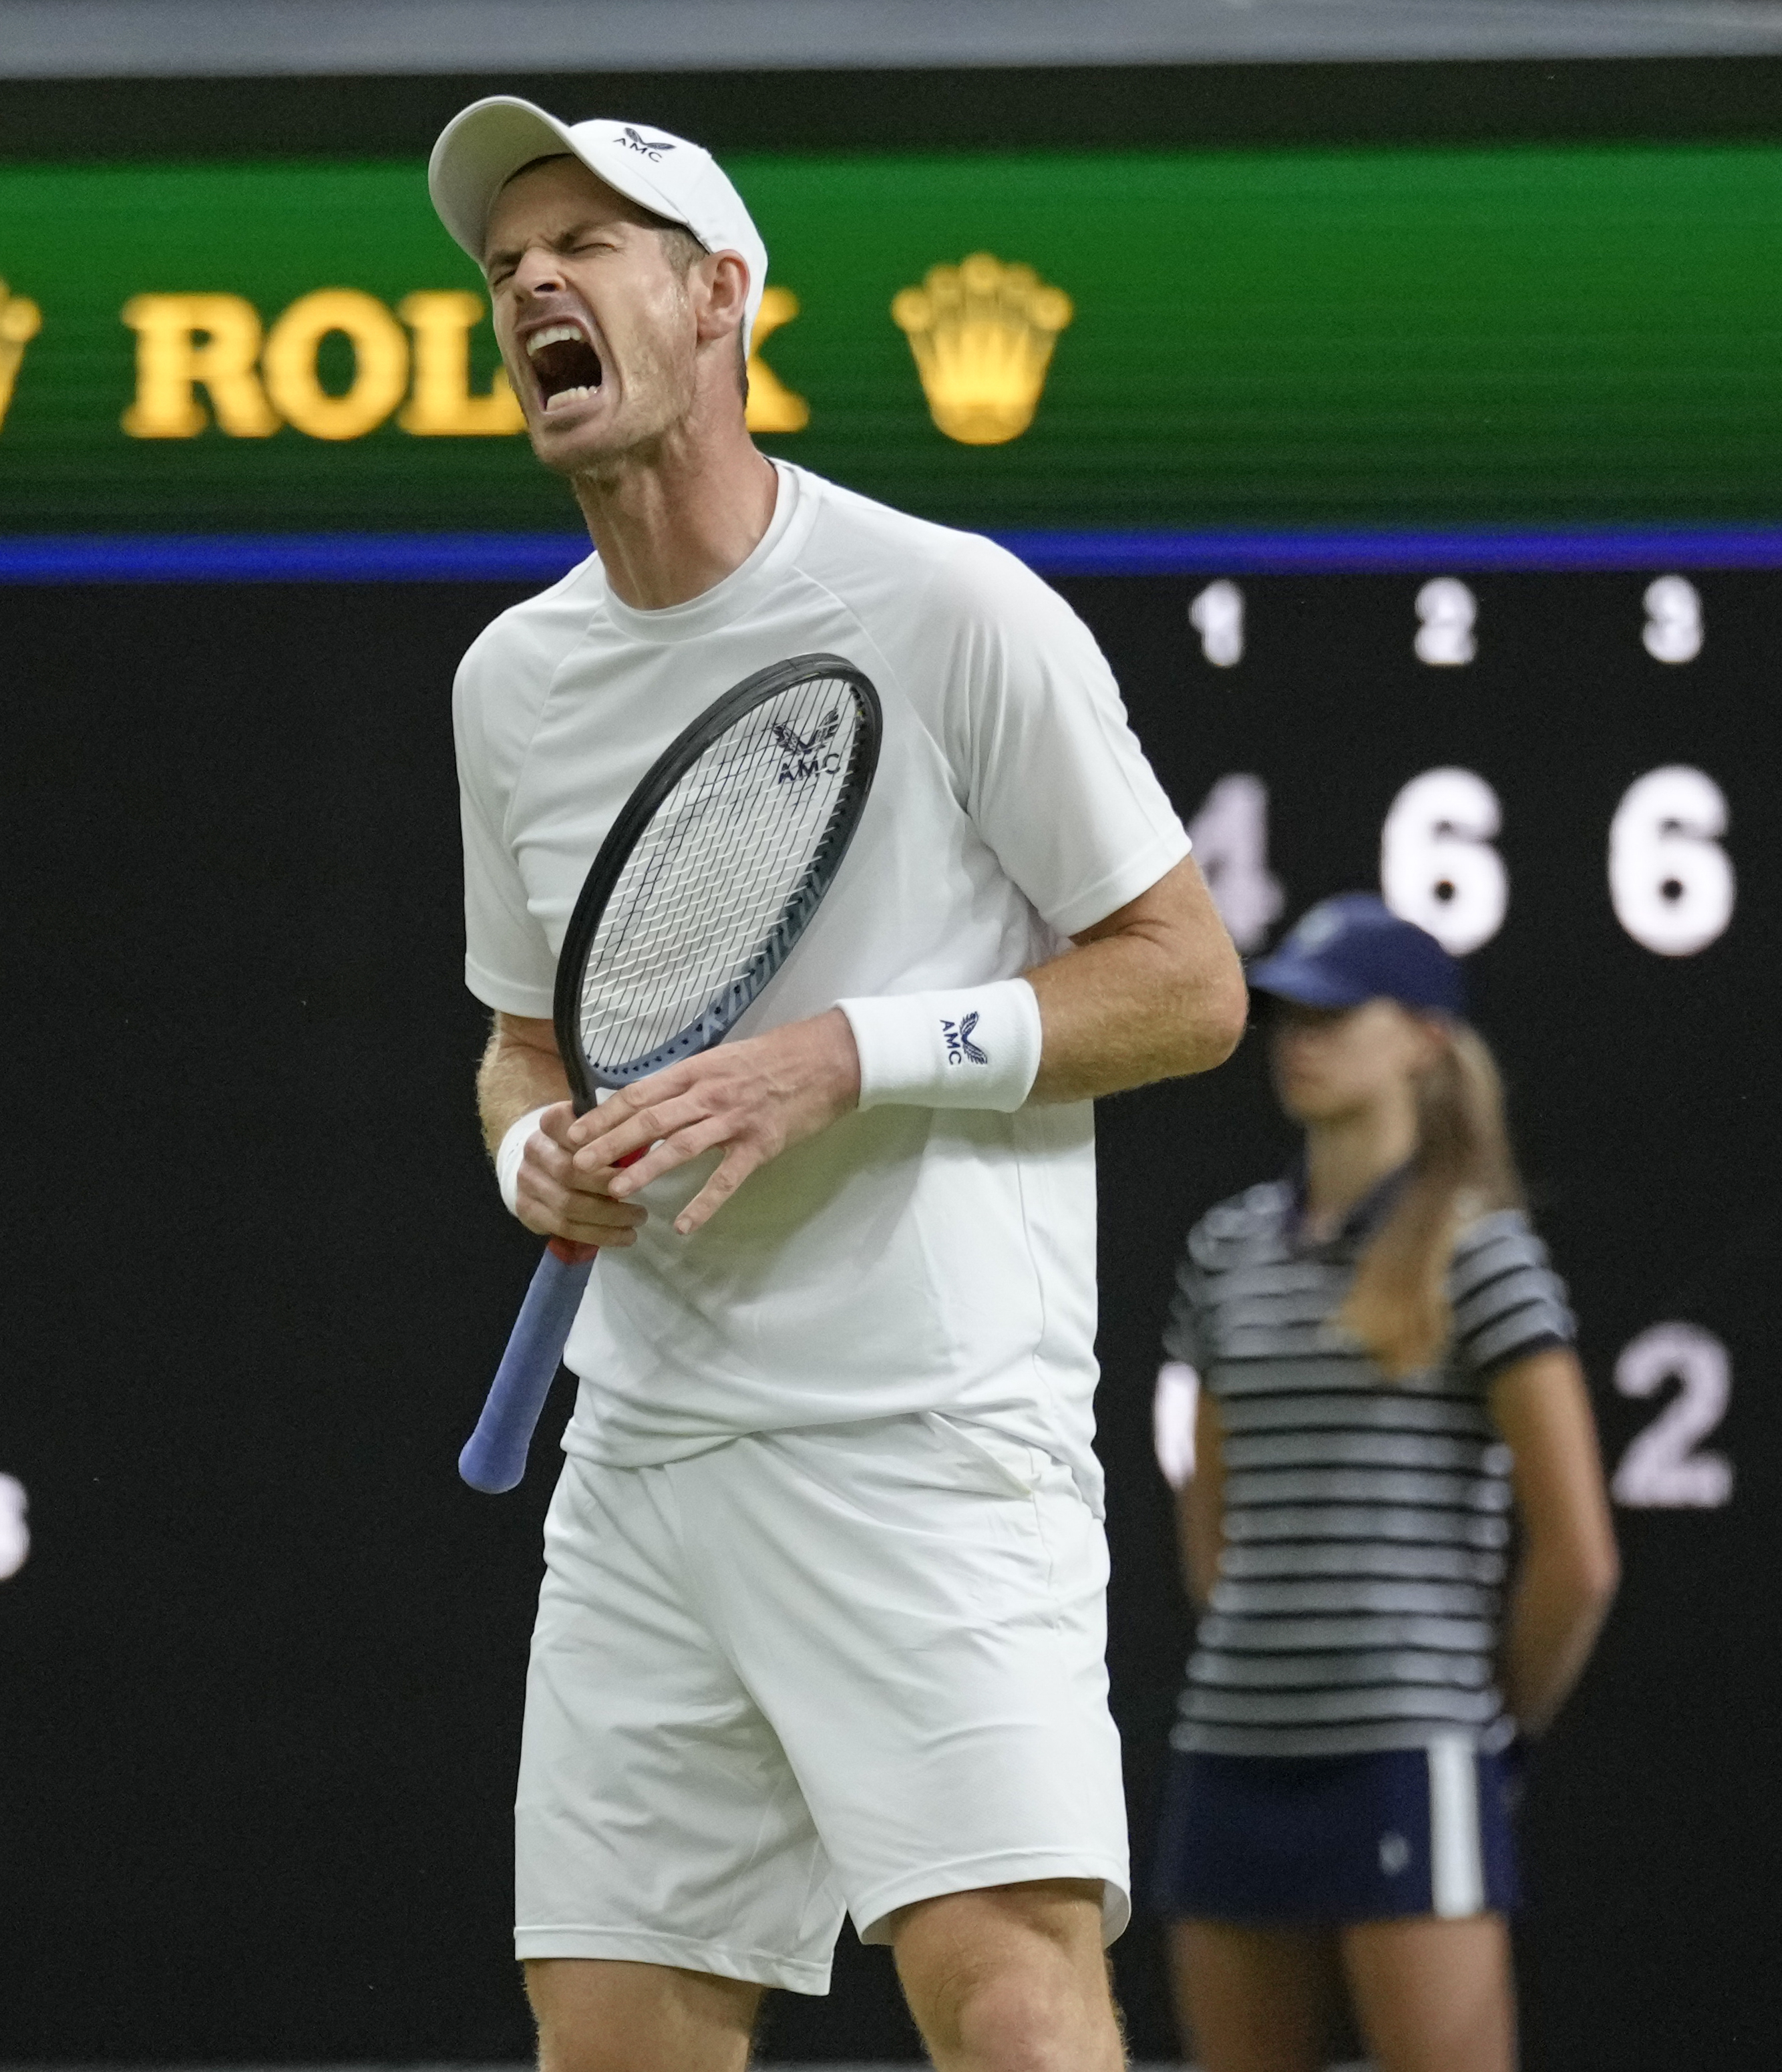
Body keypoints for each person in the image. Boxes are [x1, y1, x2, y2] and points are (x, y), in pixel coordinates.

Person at [432, 98, 1246, 2072]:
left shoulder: (949, 607)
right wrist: (534, 1152)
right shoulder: (508, 685)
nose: (530, 277)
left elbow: (1187, 983)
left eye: (591, 242)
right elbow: (522, 1041)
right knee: (611, 2032)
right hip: (648, 1459)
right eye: (503, 260)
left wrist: (849, 1056)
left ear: (718, 298)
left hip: (929, 1437)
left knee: (1010, 2004)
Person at [1157, 894, 1620, 2072]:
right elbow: (1210, 1515)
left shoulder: (1483, 1250)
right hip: (1234, 1746)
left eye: (1332, 1011)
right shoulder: (1224, 1249)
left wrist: (1475, 1715)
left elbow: (1579, 1553)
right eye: (1286, 1014)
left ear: (1422, 1037)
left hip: (1412, 1755)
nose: (1296, 1037)